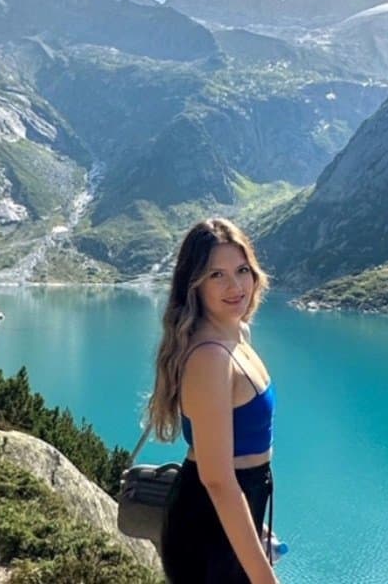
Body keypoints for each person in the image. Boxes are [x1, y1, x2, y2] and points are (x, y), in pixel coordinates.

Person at [147, 218, 279, 584]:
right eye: (216, 275)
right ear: (195, 285)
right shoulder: (210, 358)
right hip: (206, 528)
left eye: (241, 270)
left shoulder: (236, 333)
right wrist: (265, 579)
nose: (235, 286)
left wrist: (255, 524)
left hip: (231, 512)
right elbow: (218, 479)